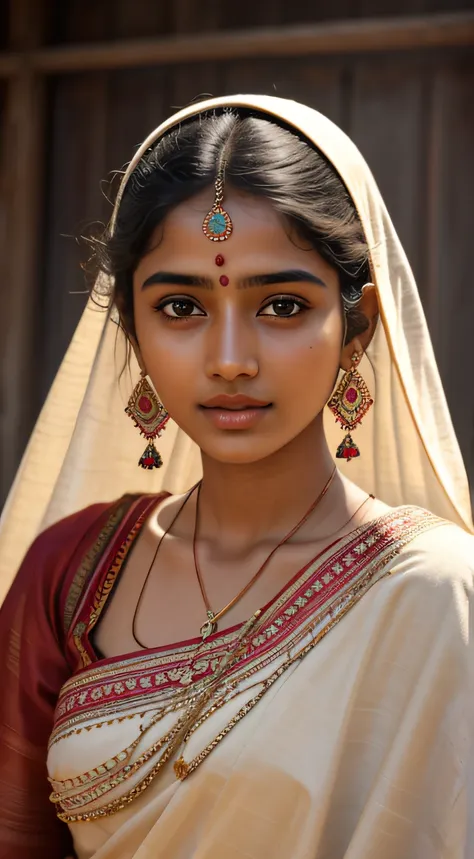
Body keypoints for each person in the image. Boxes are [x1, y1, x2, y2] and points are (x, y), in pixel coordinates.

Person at [0, 94, 472, 859]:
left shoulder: (434, 597)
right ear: (131, 326)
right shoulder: (71, 572)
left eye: (282, 305)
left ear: (359, 325)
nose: (229, 357)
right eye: (181, 305)